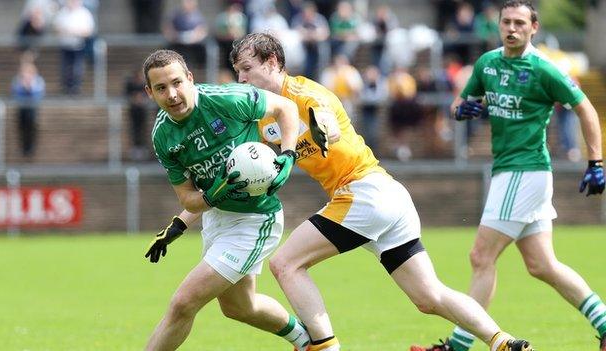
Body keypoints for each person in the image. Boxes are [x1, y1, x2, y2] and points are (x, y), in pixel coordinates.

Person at [156, 33, 534, 351]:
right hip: (386, 196)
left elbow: (326, 121)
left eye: (247, 69)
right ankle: (503, 342)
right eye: (237, 71)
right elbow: (232, 177)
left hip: (364, 191)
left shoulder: (304, 92)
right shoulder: (262, 121)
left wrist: (323, 131)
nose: (240, 78)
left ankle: (324, 345)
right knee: (428, 298)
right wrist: (181, 220)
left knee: (285, 263)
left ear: (272, 62)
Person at [411, 1, 606, 351]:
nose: (512, 29)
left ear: (534, 27)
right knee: (542, 264)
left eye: (519, 23)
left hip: (526, 169)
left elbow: (585, 108)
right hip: (510, 171)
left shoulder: (546, 69)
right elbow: (459, 104)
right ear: (498, 26)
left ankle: (458, 346)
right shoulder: (487, 63)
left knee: (480, 257)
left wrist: (595, 162)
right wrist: (463, 109)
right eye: (506, 22)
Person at [141, 49, 311, 351]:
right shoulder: (163, 136)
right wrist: (213, 194)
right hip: (217, 219)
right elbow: (189, 199)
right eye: (161, 88)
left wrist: (287, 155)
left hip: (256, 219)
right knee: (239, 307)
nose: (172, 94)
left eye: (177, 83)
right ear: (149, 92)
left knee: (183, 302)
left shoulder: (229, 98)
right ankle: (305, 341)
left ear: (190, 79)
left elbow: (286, 108)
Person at [11, 58, 45, 158]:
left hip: (32, 108)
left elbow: (39, 94)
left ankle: (30, 148)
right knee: (21, 128)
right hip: (21, 108)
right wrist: (23, 87)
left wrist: (30, 88)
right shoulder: (17, 80)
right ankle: (23, 148)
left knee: (32, 128)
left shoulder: (38, 80)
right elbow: (15, 93)